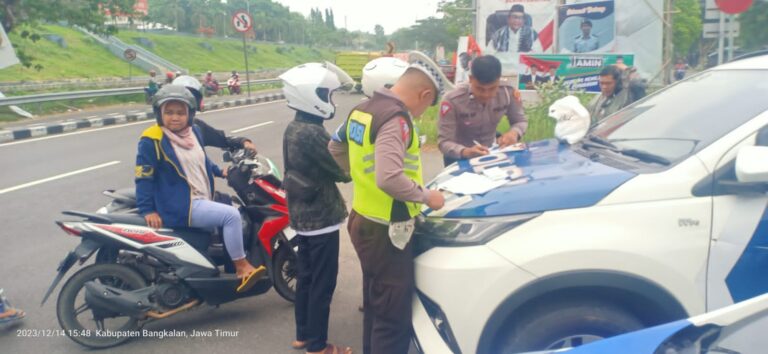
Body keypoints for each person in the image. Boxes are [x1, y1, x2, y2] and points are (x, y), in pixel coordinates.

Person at [329, 52, 447, 354]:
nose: (421, 114)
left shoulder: (362, 109)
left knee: (376, 304)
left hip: (363, 219)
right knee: (393, 318)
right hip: (387, 231)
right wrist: (426, 197)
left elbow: (335, 146)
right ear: (425, 94)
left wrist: (357, 176)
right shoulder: (397, 118)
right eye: (427, 106)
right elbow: (389, 177)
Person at [135, 85, 265, 293]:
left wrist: (218, 171)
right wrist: (147, 210)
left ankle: (218, 268)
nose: (174, 118)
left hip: (200, 196)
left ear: (190, 114)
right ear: (159, 114)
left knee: (231, 207)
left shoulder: (193, 132)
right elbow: (143, 177)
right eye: (168, 112)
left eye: (180, 112)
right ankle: (242, 268)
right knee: (231, 216)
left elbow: (199, 159)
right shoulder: (152, 140)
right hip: (181, 204)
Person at [280, 63, 354, 354]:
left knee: (307, 278)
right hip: (321, 217)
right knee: (322, 283)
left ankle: (303, 335)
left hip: (302, 215)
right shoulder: (312, 132)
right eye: (326, 94)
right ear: (312, 95)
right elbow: (341, 171)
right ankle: (318, 345)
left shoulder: (295, 126)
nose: (330, 100)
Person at [438, 55, 528, 166]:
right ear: (471, 79)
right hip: (458, 158)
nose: (486, 95)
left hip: (491, 153)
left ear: (499, 80)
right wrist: (466, 152)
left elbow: (520, 121)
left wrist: (514, 133)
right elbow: (444, 142)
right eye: (480, 89)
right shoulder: (452, 100)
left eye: (492, 89)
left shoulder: (508, 93)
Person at [172, 75, 258, 154]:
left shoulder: (196, 128)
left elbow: (222, 140)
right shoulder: (160, 140)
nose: (175, 117)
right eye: (170, 111)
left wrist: (243, 142)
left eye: (182, 111)